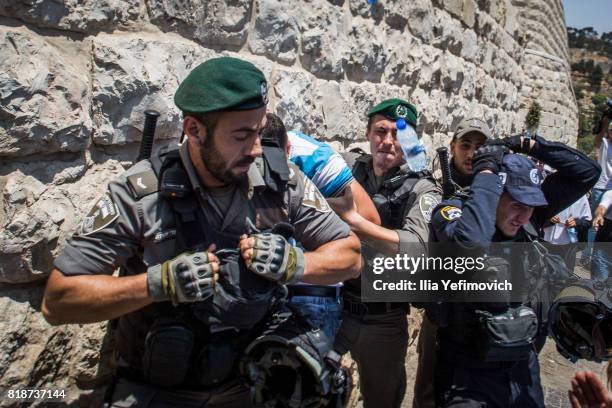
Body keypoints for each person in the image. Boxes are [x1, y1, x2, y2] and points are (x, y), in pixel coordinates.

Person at [41, 57, 362, 407]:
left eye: (258, 131)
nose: (256, 148)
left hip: (250, 390)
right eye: (242, 135)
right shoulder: (141, 194)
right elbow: (58, 301)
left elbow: (351, 255)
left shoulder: (281, 182)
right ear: (194, 130)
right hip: (156, 395)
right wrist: (157, 284)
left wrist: (295, 263)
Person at [430, 133, 600, 408]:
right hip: (468, 374)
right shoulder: (454, 212)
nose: (524, 216)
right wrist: (485, 172)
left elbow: (587, 173)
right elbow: (470, 245)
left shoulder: (528, 221)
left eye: (531, 206)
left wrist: (527, 144)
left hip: (522, 370)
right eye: (517, 204)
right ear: (494, 193)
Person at [334, 98, 441, 408]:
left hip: (383, 319)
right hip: (336, 307)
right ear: (368, 134)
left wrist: (355, 221)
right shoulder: (347, 167)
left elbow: (416, 249)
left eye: (398, 133)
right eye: (381, 131)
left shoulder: (423, 190)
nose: (388, 141)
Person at [260, 113, 380, 342]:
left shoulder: (314, 157)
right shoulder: (238, 155)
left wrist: (302, 210)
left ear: (288, 151)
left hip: (313, 292)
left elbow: (369, 218)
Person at [413, 117, 491, 408]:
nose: (471, 153)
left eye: (480, 147)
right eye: (465, 145)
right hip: (442, 304)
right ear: (452, 148)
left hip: (480, 305)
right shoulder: (433, 188)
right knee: (428, 387)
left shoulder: (493, 190)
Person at [582, 113, 611, 270]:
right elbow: (598, 138)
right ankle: (588, 255)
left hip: (611, 190)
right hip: (601, 187)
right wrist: (605, 123)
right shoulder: (605, 144)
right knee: (596, 222)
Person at [543, 194, 592, 272]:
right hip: (545, 242)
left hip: (569, 245)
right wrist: (549, 220)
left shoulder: (581, 196)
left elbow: (588, 222)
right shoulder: (549, 190)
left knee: (565, 275)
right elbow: (535, 216)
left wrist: (576, 223)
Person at [592, 188, 612, 280]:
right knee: (598, 285)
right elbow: (602, 207)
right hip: (604, 249)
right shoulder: (610, 194)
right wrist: (599, 215)